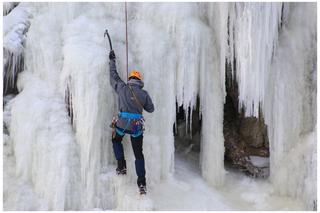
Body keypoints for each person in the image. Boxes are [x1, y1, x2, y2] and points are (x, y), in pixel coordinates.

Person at [108, 50, 154, 195]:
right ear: (139, 81)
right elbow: (151, 109)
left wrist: (112, 60)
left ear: (130, 79)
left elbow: (113, 76)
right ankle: (142, 184)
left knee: (116, 140)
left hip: (122, 124)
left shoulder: (122, 87)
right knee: (138, 154)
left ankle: (121, 165)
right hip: (136, 127)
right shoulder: (144, 93)